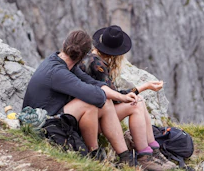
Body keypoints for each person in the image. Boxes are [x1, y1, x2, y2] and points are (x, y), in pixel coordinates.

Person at [22, 29, 138, 165]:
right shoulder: (58, 72)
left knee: (103, 102)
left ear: (65, 43)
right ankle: (95, 154)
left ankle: (125, 158)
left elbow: (93, 83)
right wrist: (113, 95)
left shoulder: (62, 62)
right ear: (83, 56)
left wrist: (121, 97)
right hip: (42, 124)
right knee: (90, 104)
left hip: (54, 116)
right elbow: (95, 96)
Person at [81, 25, 177, 170]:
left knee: (139, 101)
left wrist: (140, 89)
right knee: (136, 105)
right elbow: (116, 97)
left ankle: (153, 151)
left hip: (94, 114)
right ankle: (145, 156)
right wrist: (143, 87)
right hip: (93, 119)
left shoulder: (91, 58)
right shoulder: (97, 65)